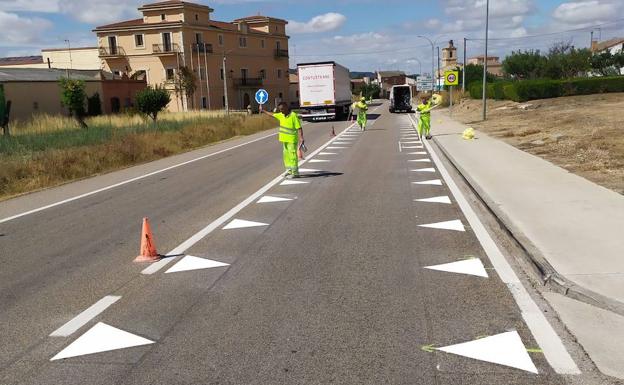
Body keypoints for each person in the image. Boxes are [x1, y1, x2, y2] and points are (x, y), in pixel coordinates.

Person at [261, 102, 304, 178]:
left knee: (292, 155)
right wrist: (263, 111)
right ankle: (289, 170)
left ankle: (295, 172)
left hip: (291, 139)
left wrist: (301, 137)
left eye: (282, 109)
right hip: (284, 140)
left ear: (286, 107)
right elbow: (272, 115)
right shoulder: (281, 115)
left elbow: (299, 127)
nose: (281, 111)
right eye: (280, 109)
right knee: (286, 155)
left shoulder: (293, 115)